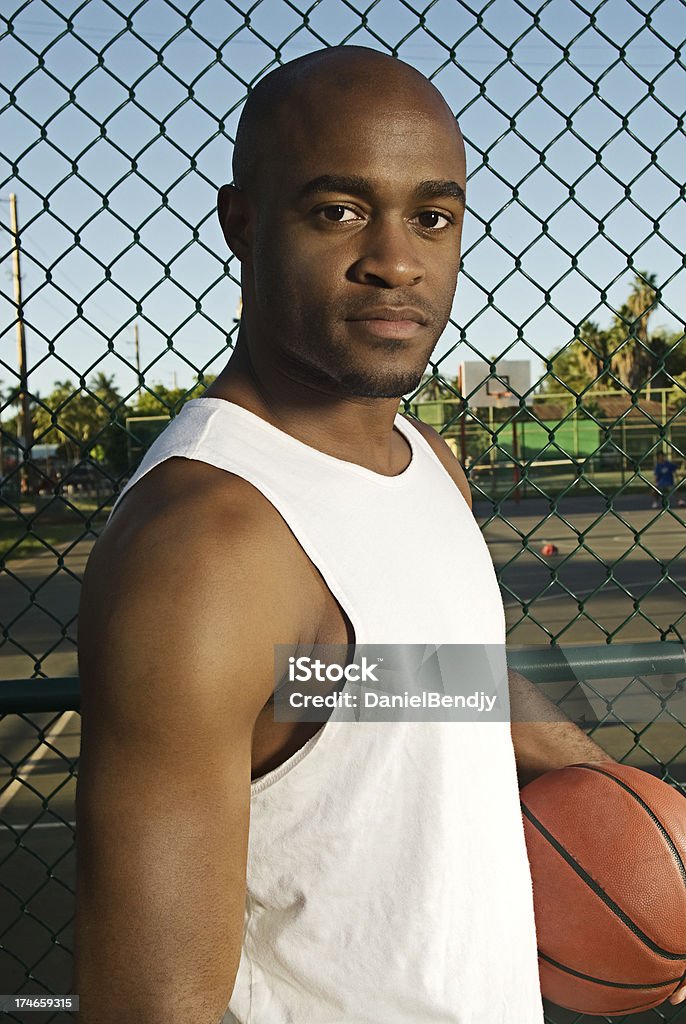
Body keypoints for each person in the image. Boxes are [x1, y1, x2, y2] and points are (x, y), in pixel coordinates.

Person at [72, 46, 686, 1023]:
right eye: (337, 211)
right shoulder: (203, 552)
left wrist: (610, 791)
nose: (395, 259)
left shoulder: (424, 458)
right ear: (241, 224)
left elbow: (410, 675)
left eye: (430, 217)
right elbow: (154, 1005)